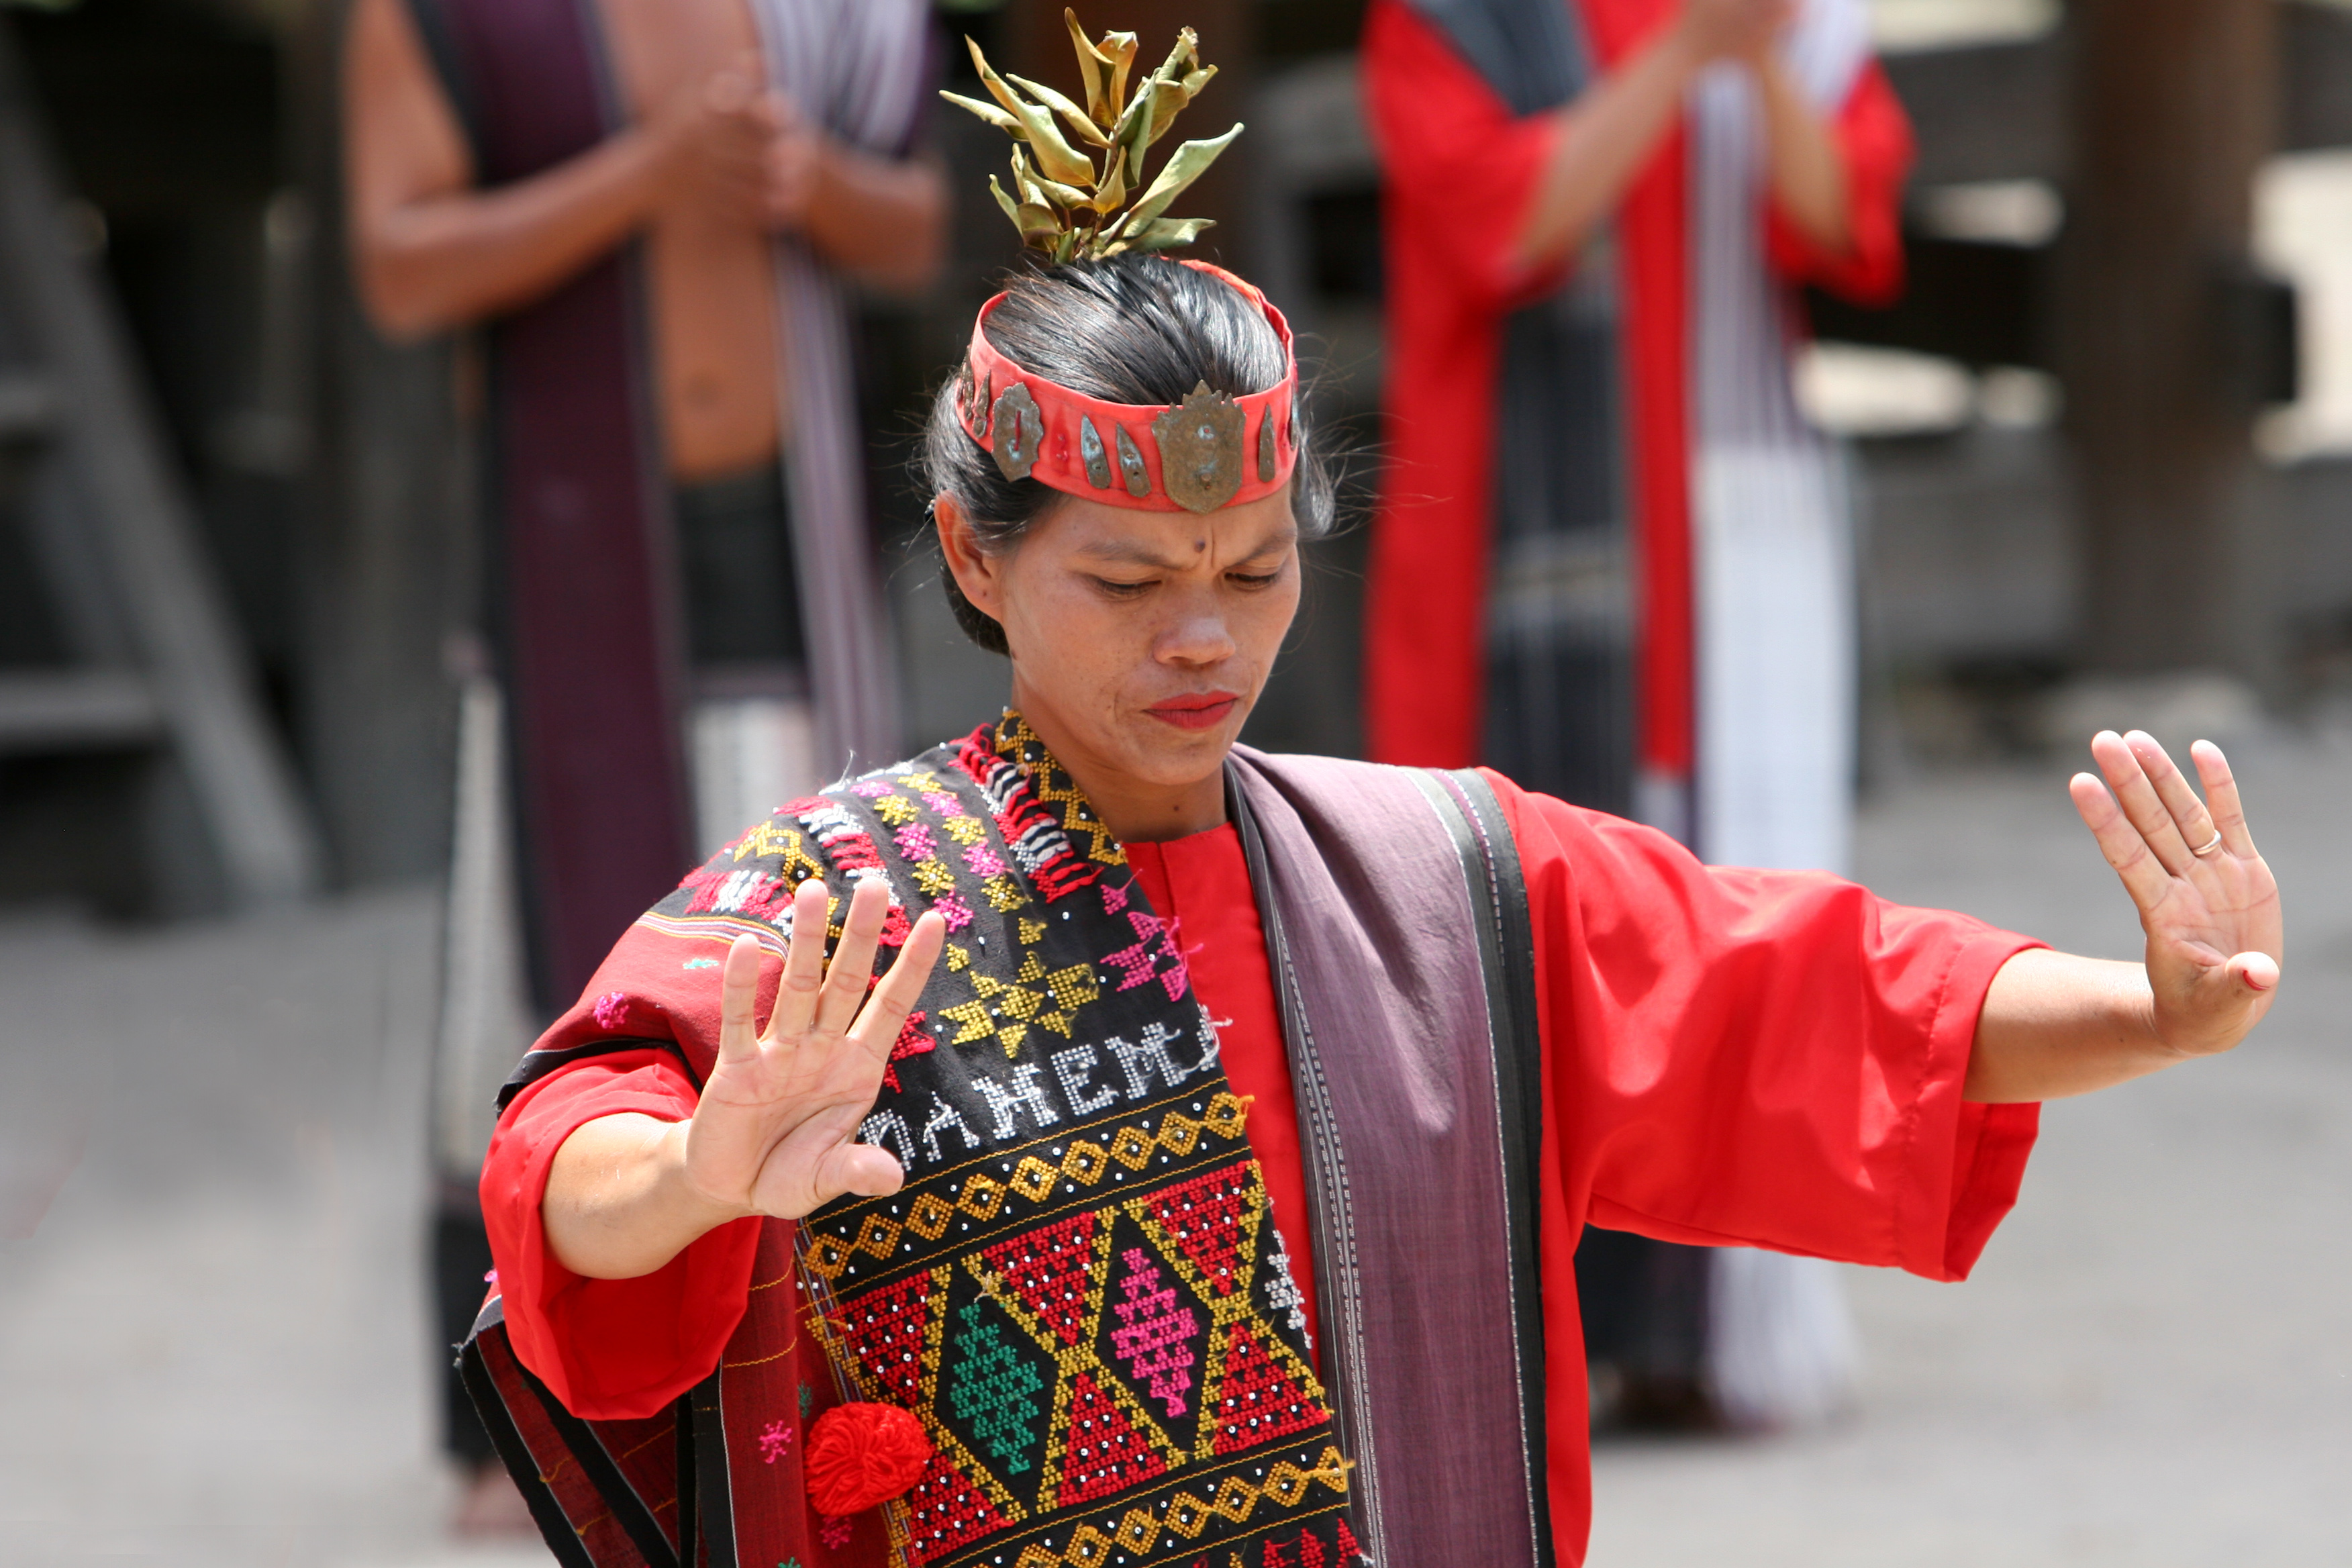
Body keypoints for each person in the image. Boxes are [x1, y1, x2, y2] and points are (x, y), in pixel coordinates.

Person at [459, 26, 2284, 1568]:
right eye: (1128, 581)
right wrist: (701, 1178)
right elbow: (560, 1178)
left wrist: (2159, 1011)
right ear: (975, 555)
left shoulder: (1441, 879)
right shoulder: (845, 895)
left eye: (1253, 572)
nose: (1203, 638)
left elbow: (1819, 997)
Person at [342, 0, 945, 1522]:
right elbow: (401, 266)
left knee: (802, 950)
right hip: (567, 546)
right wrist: (644, 173)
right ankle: (515, 1392)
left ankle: (822, 1369)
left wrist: (805, 178)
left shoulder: (832, 16)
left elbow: (925, 228)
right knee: (538, 953)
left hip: (781, 530)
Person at [1359, 0, 1914, 1423]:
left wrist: (1755, 65)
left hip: (1730, 532)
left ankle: (1712, 1319)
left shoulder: (1795, 20)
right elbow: (1508, 220)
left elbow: (1839, 223)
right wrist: (1679, 57)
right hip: (1525, 553)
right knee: (1523, 922)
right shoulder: (1454, 18)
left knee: (1731, 893)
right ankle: (1539, 1336)